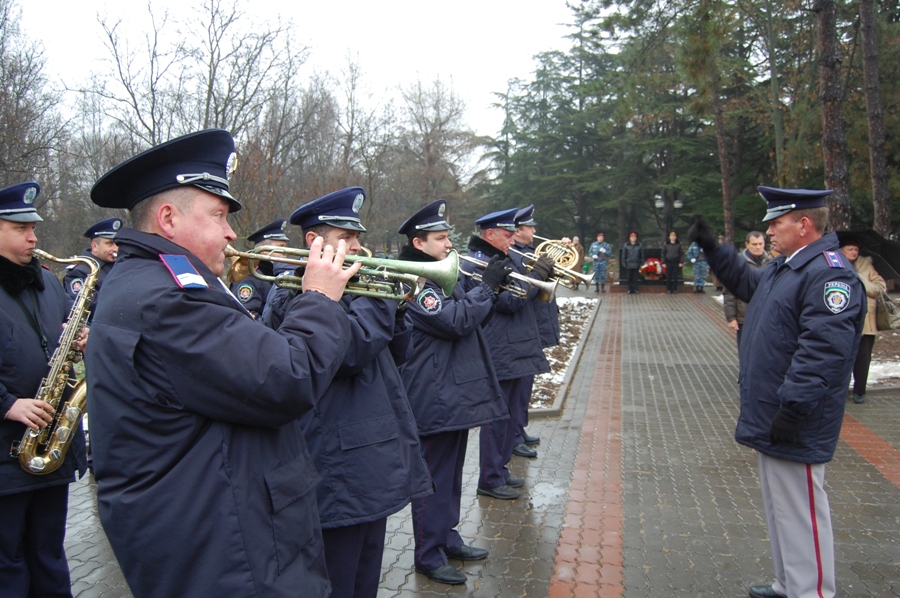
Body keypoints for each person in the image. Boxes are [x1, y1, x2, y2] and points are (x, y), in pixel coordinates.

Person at [85, 129, 362, 598]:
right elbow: (287, 378)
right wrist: (318, 298)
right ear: (168, 219)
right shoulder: (168, 297)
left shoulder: (154, 281)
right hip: (225, 548)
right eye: (217, 214)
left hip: (213, 527)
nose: (233, 231)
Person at [689, 186, 866, 598]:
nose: (769, 230)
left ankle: (813, 592)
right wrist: (715, 249)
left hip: (795, 417)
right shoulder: (789, 266)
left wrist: (794, 407)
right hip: (774, 411)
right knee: (782, 510)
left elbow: (824, 350)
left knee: (801, 511)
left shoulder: (828, 273)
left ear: (804, 225)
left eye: (776, 222)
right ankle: (789, 583)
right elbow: (747, 283)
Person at [262, 187, 432, 598]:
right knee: (341, 574)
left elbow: (398, 353)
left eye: (357, 237)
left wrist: (400, 306)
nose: (359, 246)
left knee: (366, 570)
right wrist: (380, 304)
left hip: (370, 452)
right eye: (346, 238)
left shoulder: (354, 286)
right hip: (338, 462)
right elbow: (351, 352)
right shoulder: (293, 292)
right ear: (313, 242)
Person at [396, 199, 509, 585]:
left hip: (450, 392)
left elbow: (471, 313)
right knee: (433, 478)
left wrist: (485, 289)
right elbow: (457, 320)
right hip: (433, 394)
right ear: (419, 242)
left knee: (452, 473)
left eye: (447, 237)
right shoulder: (413, 283)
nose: (449, 244)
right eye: (441, 238)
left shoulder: (442, 275)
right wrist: (488, 289)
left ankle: (447, 537)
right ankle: (428, 553)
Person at [0, 181, 89, 597]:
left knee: (50, 555)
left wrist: (79, 338)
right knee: (8, 562)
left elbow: (53, 339)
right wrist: (8, 404)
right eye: (20, 228)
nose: (34, 237)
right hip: (5, 452)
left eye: (33, 227)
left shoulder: (48, 282)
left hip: (50, 447)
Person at [459, 208, 551, 501]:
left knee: (509, 417)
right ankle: (489, 476)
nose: (513, 239)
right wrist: (535, 276)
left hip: (514, 346)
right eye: (508, 234)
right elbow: (510, 301)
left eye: (513, 234)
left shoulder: (505, 258)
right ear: (490, 234)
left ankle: (499, 469)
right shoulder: (480, 263)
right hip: (501, 347)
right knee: (497, 420)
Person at [509, 205, 558, 457]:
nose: (535, 231)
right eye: (530, 227)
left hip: (536, 322)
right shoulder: (516, 256)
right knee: (519, 384)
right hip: (525, 324)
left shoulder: (530, 252)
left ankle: (520, 427)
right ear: (517, 231)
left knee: (526, 384)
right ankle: (514, 434)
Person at [839, 236, 886, 404]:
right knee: (841, 358)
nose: (854, 252)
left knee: (863, 359)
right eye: (850, 249)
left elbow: (881, 288)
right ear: (841, 251)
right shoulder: (834, 265)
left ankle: (860, 391)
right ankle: (840, 390)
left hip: (866, 322)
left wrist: (863, 281)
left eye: (856, 250)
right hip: (841, 321)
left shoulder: (867, 266)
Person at [228, 218, 289, 319]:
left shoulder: (275, 273)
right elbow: (247, 315)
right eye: (281, 246)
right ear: (264, 248)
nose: (285, 251)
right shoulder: (249, 276)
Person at [63, 217, 121, 317]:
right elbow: (90, 304)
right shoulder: (79, 271)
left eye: (117, 243)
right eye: (109, 243)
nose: (115, 248)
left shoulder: (120, 264)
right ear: (94, 246)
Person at [723, 231, 771, 349]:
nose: (758, 247)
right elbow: (729, 292)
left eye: (760, 244)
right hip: (745, 316)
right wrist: (731, 317)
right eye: (754, 244)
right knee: (746, 349)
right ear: (747, 244)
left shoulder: (771, 262)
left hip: (767, 315)